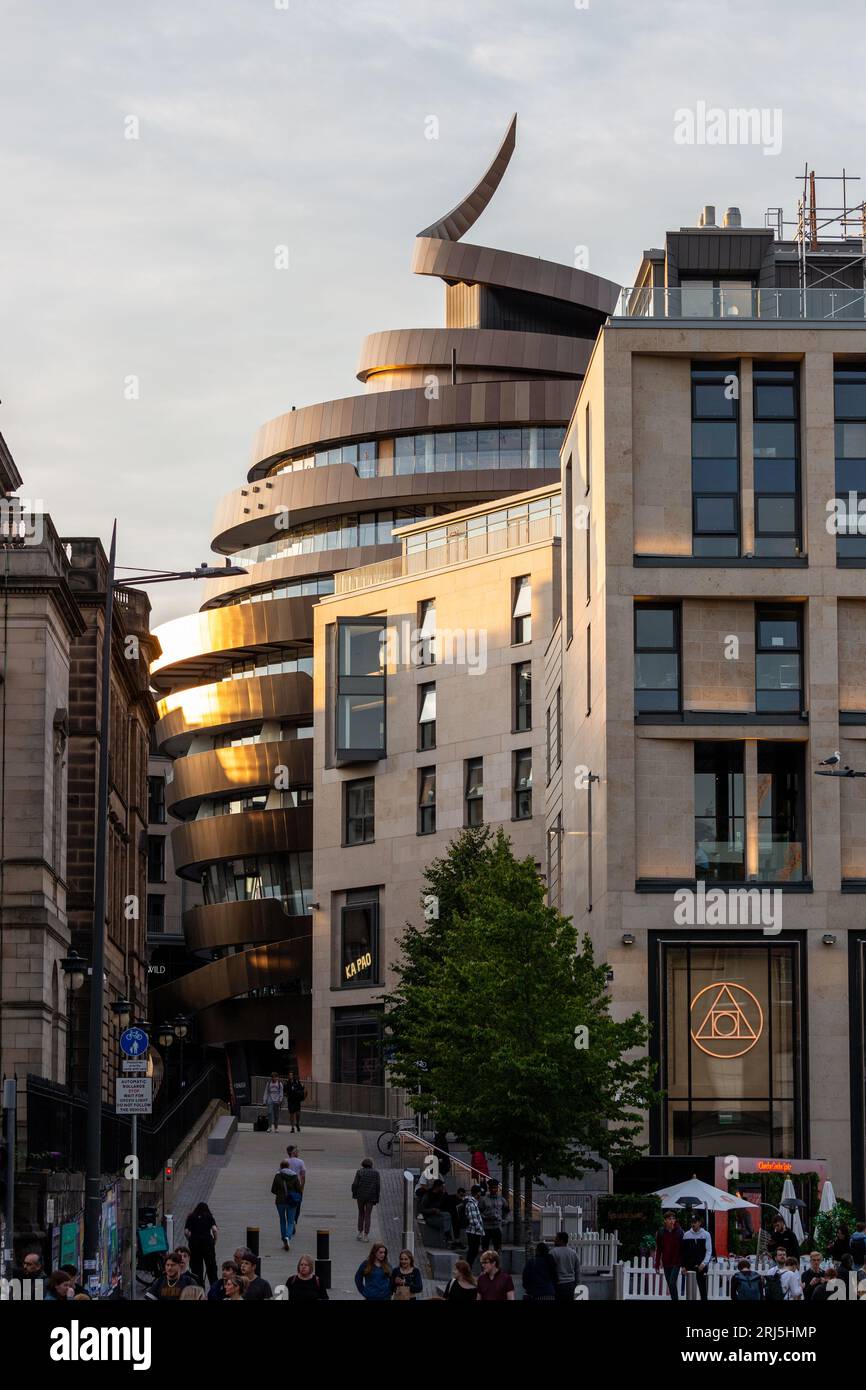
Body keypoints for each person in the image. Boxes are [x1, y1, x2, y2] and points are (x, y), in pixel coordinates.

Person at [184, 1201, 219, 1287]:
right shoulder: (209, 1217)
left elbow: (186, 1232)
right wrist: (215, 1240)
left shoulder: (191, 1217)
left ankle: (199, 1287)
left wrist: (190, 1239)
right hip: (207, 1243)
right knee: (211, 1267)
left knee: (196, 1267)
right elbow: (214, 1229)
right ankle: (214, 1286)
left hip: (195, 1244)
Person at [421, 1179, 462, 1249]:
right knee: (446, 1220)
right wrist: (432, 1210)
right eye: (441, 1187)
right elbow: (422, 1209)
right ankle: (448, 1240)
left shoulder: (442, 1195)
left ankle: (454, 1240)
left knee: (450, 1215)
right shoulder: (428, 1195)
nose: (443, 1188)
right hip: (430, 1217)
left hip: (439, 1215)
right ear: (437, 1187)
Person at [681, 1212, 712, 1300]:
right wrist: (683, 1266)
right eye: (692, 1222)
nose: (693, 1224)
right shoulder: (686, 1235)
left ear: (699, 1223)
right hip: (689, 1266)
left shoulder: (706, 1234)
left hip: (701, 1266)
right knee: (690, 1290)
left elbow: (709, 1251)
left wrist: (704, 1263)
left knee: (703, 1290)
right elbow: (684, 1252)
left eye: (695, 1222)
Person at [272, 1159, 303, 1250]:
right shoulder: (294, 1176)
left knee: (282, 1221)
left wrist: (280, 1192)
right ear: (288, 1166)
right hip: (291, 1201)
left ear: (281, 1167)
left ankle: (283, 1239)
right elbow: (299, 1190)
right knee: (290, 1221)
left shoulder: (277, 1176)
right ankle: (287, 1237)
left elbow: (273, 1190)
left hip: (280, 1202)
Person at [654, 1210, 684, 1301]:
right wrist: (657, 1263)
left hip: (676, 1262)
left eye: (673, 1219)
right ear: (665, 1220)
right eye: (669, 1219)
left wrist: (683, 1264)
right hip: (666, 1262)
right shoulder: (661, 1232)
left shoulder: (679, 1231)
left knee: (671, 1283)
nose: (672, 1221)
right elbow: (659, 1249)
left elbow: (683, 1248)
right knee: (670, 1285)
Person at [351, 1156, 381, 1242]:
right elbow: (378, 1186)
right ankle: (366, 1235)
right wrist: (377, 1197)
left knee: (361, 1213)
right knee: (368, 1215)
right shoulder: (376, 1173)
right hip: (371, 1197)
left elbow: (355, 1184)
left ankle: (360, 1232)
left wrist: (354, 1193)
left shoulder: (359, 1172)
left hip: (360, 1196)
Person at [479, 1178, 509, 1253]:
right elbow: (479, 1212)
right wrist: (485, 1217)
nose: (493, 1189)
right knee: (485, 1249)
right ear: (489, 1188)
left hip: (497, 1227)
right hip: (486, 1227)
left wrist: (505, 1220)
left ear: (497, 1188)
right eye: (491, 1188)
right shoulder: (483, 1199)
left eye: (495, 1187)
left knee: (498, 1249)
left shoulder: (502, 1199)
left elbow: (507, 1211)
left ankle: (497, 1263)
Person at [551, 1231, 581, 1303]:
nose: (554, 1240)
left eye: (556, 1239)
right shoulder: (573, 1253)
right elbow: (577, 1270)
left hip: (559, 1285)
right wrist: (576, 1284)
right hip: (571, 1284)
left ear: (561, 1240)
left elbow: (550, 1269)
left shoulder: (553, 1252)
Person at [462, 1185, 486, 1269]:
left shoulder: (474, 1203)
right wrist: (481, 1231)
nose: (481, 1194)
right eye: (480, 1192)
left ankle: (468, 1269)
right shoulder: (471, 1204)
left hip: (474, 1232)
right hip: (473, 1232)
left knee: (473, 1252)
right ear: (477, 1193)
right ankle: (467, 1270)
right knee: (472, 1252)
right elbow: (473, 1220)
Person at [285, 1144, 307, 1228]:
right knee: (297, 1206)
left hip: (287, 1187)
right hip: (297, 1187)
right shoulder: (300, 1162)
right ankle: (294, 1220)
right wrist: (302, 1187)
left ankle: (290, 1221)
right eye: (297, 1151)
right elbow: (303, 1176)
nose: (298, 1152)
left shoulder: (285, 1161)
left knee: (288, 1205)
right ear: (293, 1152)